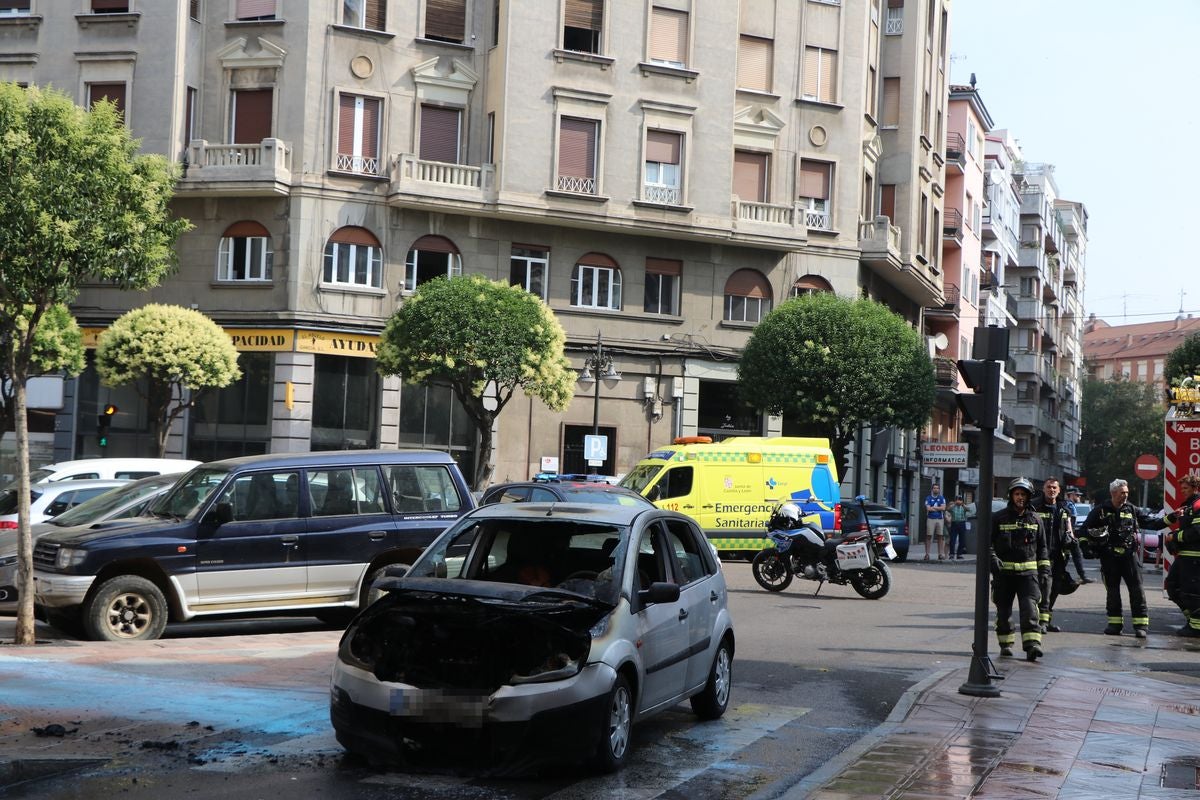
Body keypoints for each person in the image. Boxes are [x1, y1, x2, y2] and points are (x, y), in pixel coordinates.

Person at [1084, 478, 1170, 638]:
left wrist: (1170, 519)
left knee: (1137, 590)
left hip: (1129, 556)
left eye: (1127, 493)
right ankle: (1114, 624)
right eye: (1122, 493)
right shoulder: (1100, 510)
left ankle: (1141, 625)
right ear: (1113, 493)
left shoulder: (1131, 509)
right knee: (1113, 591)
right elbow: (1084, 530)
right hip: (1109, 557)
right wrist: (1087, 548)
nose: (1125, 496)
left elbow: (1151, 523)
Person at [990, 477, 1048, 661]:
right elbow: (988, 543)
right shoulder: (998, 518)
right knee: (1004, 611)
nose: (1020, 497)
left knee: (1030, 610)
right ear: (1011, 495)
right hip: (1004, 575)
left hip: (1028, 575)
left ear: (1029, 496)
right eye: (1017, 494)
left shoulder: (1036, 519)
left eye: (1023, 494)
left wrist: (1045, 571)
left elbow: (1043, 548)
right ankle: (1006, 644)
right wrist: (993, 559)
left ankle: (1032, 645)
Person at [1031, 477, 1077, 632]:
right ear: (1044, 489)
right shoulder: (1035, 506)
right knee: (1044, 587)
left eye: (1054, 488)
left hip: (1059, 556)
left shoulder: (1063, 508)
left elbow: (1069, 529)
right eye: (1049, 487)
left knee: (1055, 588)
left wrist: (1071, 539)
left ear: (1059, 491)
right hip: (1040, 555)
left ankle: (1046, 620)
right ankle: (1041, 622)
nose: (1051, 490)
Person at [1164, 473, 1200, 637]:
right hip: (1185, 556)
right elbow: (1188, 529)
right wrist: (1175, 535)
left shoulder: (1198, 505)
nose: (1182, 491)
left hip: (1195, 557)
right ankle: (1191, 619)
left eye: (1185, 488)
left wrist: (1175, 536)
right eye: (1181, 488)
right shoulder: (1188, 506)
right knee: (1172, 586)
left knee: (1191, 592)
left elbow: (1197, 532)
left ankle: (1196, 627)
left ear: (1195, 488)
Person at [1063, 487, 1092, 583]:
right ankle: (1078, 576)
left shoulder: (1071, 504)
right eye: (1077, 495)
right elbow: (1068, 521)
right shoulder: (1068, 505)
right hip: (1067, 535)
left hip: (1069, 534)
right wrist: (1071, 535)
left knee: (1072, 555)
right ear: (1071, 495)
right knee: (1071, 555)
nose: (1079, 496)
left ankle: (1080, 576)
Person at [924, 483, 947, 561]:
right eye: (934, 488)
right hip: (930, 518)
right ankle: (927, 554)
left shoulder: (942, 498)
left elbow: (943, 508)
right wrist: (938, 508)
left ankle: (940, 554)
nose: (936, 489)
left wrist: (933, 507)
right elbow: (928, 509)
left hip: (940, 519)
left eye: (937, 488)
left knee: (940, 536)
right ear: (932, 489)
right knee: (928, 536)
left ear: (939, 489)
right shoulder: (928, 498)